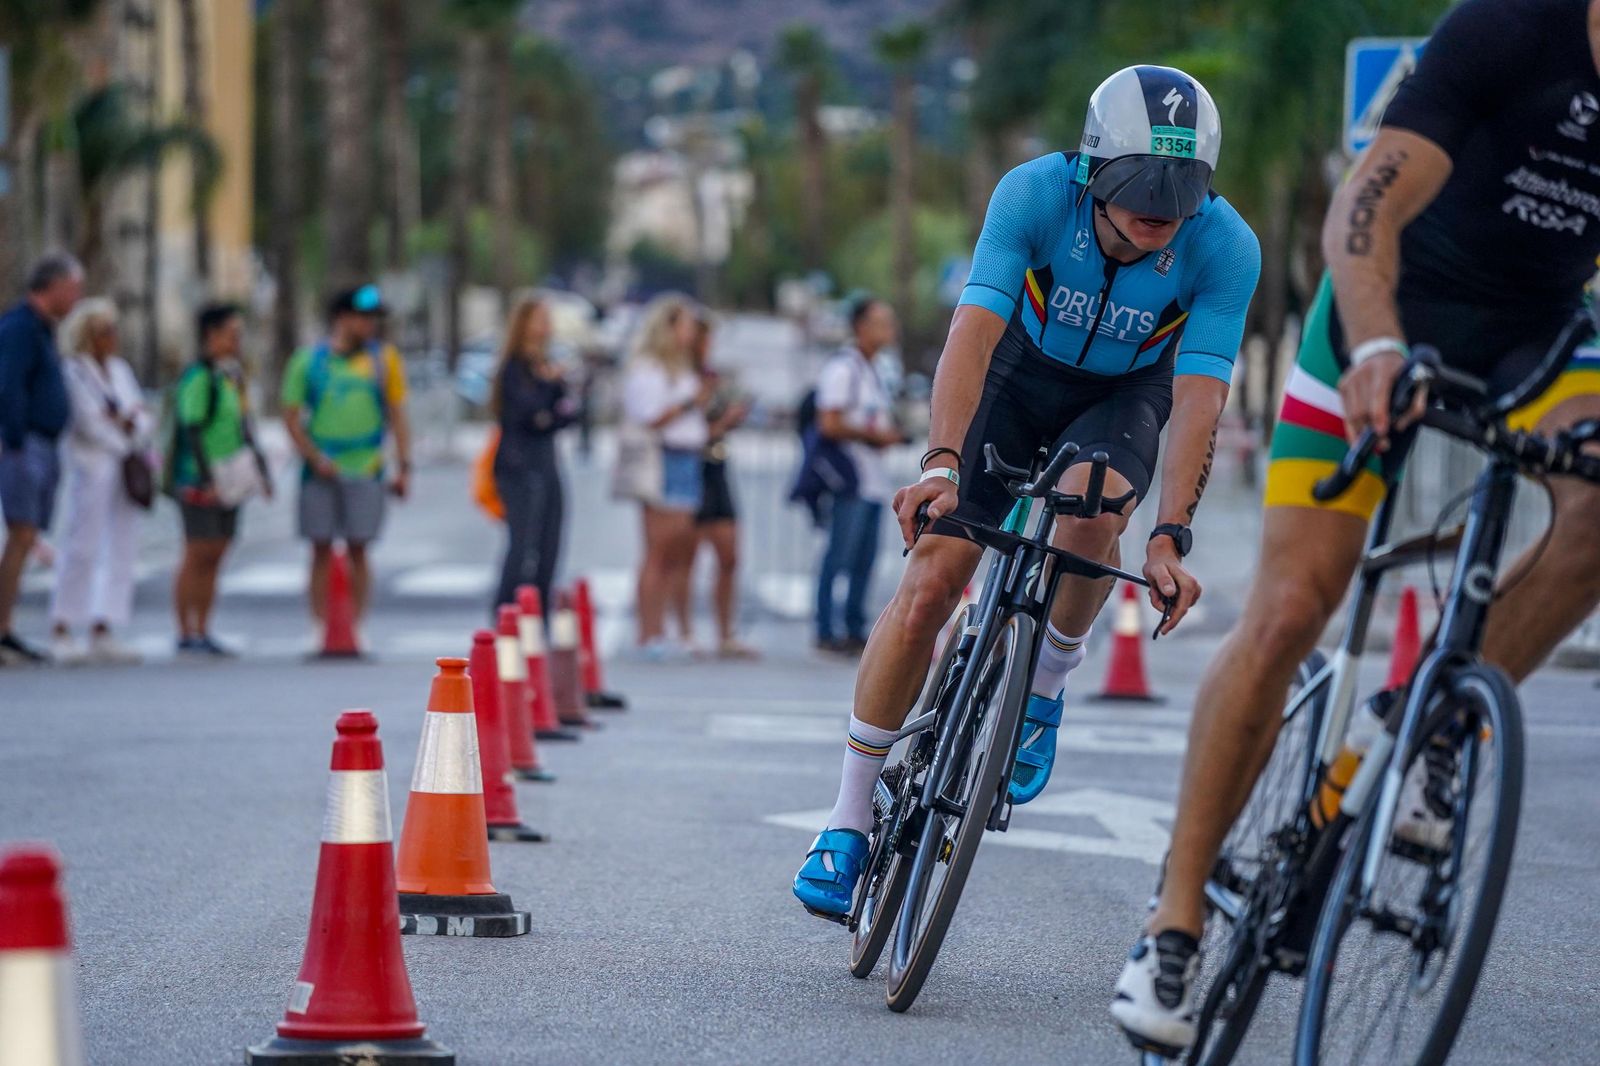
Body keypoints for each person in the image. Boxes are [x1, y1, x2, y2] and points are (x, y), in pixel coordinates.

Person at [1116, 2, 1600, 1053]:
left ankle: (1425, 723)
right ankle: (1176, 919)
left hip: (1538, 338)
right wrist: (1377, 347)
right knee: (1292, 606)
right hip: (1383, 312)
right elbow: (1360, 214)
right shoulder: (1514, 30)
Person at [792, 67, 1258, 921]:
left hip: (1125, 396)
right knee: (933, 578)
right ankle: (847, 819)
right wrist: (938, 463)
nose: (1160, 212)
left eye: (1179, 192)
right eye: (1139, 188)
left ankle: (1045, 682)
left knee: (1093, 501)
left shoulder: (1225, 244)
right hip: (1016, 373)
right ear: (1092, 170)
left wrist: (1170, 536)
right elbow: (971, 335)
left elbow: (1200, 398)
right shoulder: (1035, 192)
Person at [280, 285, 412, 648]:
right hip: (321, 468)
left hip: (367, 467)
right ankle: (319, 627)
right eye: (363, 318)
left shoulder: (384, 361)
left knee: (360, 548)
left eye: (373, 319)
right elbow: (290, 416)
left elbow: (398, 415)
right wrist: (313, 457)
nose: (369, 325)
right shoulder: (308, 361)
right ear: (342, 318)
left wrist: (404, 466)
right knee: (320, 548)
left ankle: (357, 625)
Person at [49, 298, 152, 664]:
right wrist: (123, 430)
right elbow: (88, 422)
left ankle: (104, 624)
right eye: (106, 331)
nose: (114, 338)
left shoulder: (121, 370)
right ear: (88, 335)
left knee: (122, 546)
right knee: (82, 545)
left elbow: (141, 414)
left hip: (125, 465)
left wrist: (130, 430)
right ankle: (62, 624)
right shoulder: (74, 371)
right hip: (93, 465)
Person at [617, 293, 711, 660]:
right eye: (685, 325)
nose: (690, 333)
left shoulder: (684, 367)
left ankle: (665, 627)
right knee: (658, 549)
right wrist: (691, 402)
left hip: (687, 457)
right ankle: (647, 630)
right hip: (662, 459)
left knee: (677, 549)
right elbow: (651, 416)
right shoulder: (650, 368)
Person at [169, 304, 266, 656]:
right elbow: (190, 429)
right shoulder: (198, 377)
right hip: (200, 477)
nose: (237, 341)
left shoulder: (232, 376)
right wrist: (206, 477)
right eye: (232, 334)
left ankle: (203, 626)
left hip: (233, 477)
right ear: (212, 335)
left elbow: (244, 426)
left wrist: (262, 471)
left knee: (218, 551)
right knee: (197, 550)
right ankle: (185, 630)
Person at [0, 253, 83, 664]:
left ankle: (6, 627)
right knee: (21, 534)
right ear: (51, 287)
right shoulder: (20, 328)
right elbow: (8, 384)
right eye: (72, 288)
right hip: (23, 444)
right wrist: (14, 440)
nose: (76, 298)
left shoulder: (42, 330)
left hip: (42, 443)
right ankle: (1, 629)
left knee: (27, 535)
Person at [813, 297, 905, 655]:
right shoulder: (844, 369)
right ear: (861, 327)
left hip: (871, 480)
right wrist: (875, 437)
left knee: (864, 559)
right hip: (848, 479)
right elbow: (829, 423)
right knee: (839, 555)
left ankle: (852, 627)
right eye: (882, 322)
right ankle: (825, 628)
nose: (890, 330)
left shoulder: (874, 369)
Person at [677, 310, 756, 658]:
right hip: (689, 465)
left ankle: (725, 633)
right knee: (686, 555)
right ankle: (684, 631)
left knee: (729, 555)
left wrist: (731, 417)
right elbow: (686, 430)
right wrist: (724, 421)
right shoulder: (679, 378)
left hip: (716, 464)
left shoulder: (709, 376)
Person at [491, 292, 575, 614]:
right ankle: (506, 614)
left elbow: (564, 414)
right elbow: (529, 414)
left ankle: (537, 617)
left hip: (547, 461)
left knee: (550, 543)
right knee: (523, 544)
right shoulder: (515, 368)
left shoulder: (548, 366)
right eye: (540, 318)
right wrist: (547, 399)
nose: (546, 326)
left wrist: (551, 406)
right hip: (519, 464)